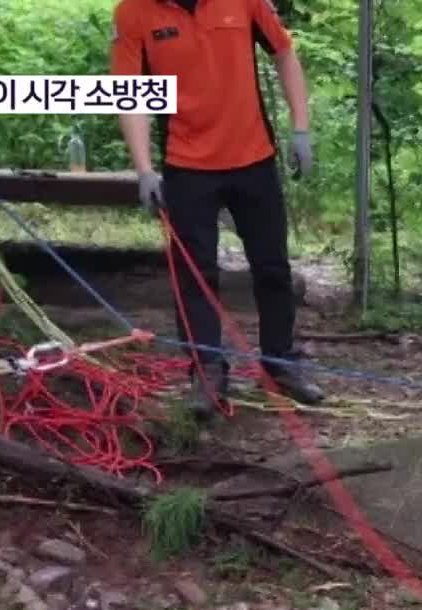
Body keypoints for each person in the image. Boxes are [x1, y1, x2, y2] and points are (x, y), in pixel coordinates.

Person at [110, 0, 326, 422]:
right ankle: (207, 371)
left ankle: (280, 361)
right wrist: (144, 170)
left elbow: (284, 51)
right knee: (195, 274)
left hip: (254, 158)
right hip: (187, 165)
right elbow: (129, 93)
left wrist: (301, 128)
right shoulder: (133, 13)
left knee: (272, 268)